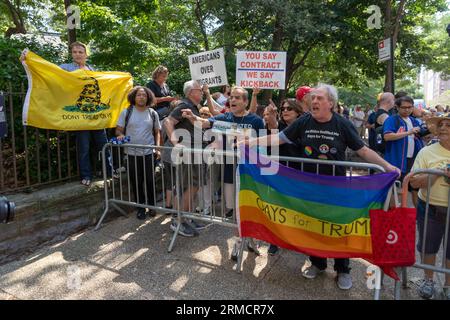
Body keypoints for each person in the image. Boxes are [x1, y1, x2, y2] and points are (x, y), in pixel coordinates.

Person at [245, 84, 400, 290]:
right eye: (313, 98)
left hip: (336, 186)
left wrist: (388, 167)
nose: (314, 101)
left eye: (319, 98)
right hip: (310, 185)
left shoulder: (342, 124)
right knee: (314, 224)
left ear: (331, 103)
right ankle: (317, 263)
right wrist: (251, 143)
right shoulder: (304, 121)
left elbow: (362, 150)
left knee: (338, 227)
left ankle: (343, 270)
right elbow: (280, 138)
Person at [57, 42, 111, 186]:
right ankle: (86, 175)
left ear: (86, 54)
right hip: (80, 118)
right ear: (72, 54)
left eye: (80, 52)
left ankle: (110, 173)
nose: (77, 54)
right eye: (75, 52)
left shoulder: (92, 69)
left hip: (95, 116)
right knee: (84, 148)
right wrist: (29, 61)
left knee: (104, 145)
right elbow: (50, 73)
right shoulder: (65, 68)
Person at [410, 113, 450, 300]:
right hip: (430, 208)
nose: (442, 128)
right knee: (428, 246)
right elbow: (414, 182)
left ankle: (448, 286)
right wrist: (437, 173)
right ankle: (428, 280)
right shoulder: (427, 152)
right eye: (441, 125)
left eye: (448, 125)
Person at [164, 80, 207, 237]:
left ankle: (186, 217)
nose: (202, 92)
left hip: (195, 153)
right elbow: (168, 121)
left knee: (193, 186)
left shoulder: (194, 107)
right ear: (191, 92)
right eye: (199, 90)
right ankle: (178, 221)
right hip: (188, 154)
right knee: (188, 186)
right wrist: (176, 142)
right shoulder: (184, 105)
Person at [115, 86, 161, 220]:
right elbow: (118, 130)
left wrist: (157, 148)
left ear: (148, 98)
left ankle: (152, 207)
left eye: (144, 95)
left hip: (148, 153)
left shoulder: (152, 113)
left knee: (150, 181)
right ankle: (140, 208)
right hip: (131, 154)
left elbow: (157, 131)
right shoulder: (126, 112)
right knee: (136, 182)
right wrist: (120, 136)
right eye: (139, 95)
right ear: (134, 97)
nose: (142, 97)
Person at [383, 96, 425, 207]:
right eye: (404, 107)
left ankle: (416, 216)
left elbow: (421, 136)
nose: (407, 110)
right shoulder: (392, 120)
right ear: (397, 107)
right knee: (393, 188)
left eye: (410, 107)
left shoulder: (414, 120)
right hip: (396, 159)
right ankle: (393, 215)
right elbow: (387, 136)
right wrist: (408, 132)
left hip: (413, 159)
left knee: (415, 188)